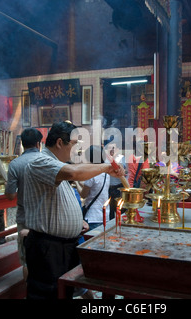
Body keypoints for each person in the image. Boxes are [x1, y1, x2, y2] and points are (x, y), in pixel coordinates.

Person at [23, 121, 125, 299]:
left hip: (61, 246)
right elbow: (73, 173)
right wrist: (108, 168)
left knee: (63, 293)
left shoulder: (55, 164)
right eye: (74, 144)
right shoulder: (40, 161)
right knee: (48, 294)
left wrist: (77, 220)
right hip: (47, 247)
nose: (76, 149)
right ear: (60, 143)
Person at [4, 128, 43, 281]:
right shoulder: (47, 161)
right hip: (46, 217)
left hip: (25, 217)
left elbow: (10, 195)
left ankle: (30, 292)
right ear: (38, 144)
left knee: (27, 260)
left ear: (22, 143)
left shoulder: (15, 164)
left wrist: (8, 185)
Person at [77, 145, 110, 231]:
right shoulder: (106, 173)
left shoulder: (92, 174)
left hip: (93, 216)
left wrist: (75, 182)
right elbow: (93, 189)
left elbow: (83, 195)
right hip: (104, 215)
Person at [104, 140, 126, 219]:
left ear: (117, 149)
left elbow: (126, 172)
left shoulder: (122, 158)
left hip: (118, 188)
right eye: (109, 148)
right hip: (108, 188)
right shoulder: (105, 159)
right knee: (109, 210)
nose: (111, 150)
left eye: (113, 148)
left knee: (120, 209)